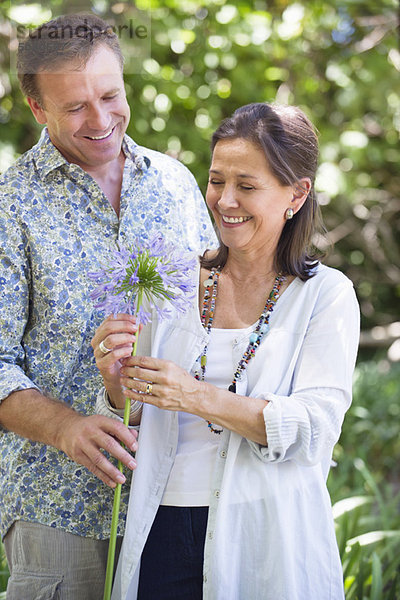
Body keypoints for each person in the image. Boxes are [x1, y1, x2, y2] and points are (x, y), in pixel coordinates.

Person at [93, 102, 360, 600]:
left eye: (247, 185)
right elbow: (132, 421)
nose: (225, 200)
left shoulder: (326, 296)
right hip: (162, 529)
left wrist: (195, 396)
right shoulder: (171, 280)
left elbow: (313, 431)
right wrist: (115, 385)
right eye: (217, 181)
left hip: (265, 531)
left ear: (296, 194)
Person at [0, 13, 215, 600]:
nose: (100, 121)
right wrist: (67, 427)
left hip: (177, 492)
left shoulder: (175, 183)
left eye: (110, 95)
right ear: (37, 108)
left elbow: (215, 315)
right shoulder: (10, 205)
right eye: (74, 107)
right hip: (59, 505)